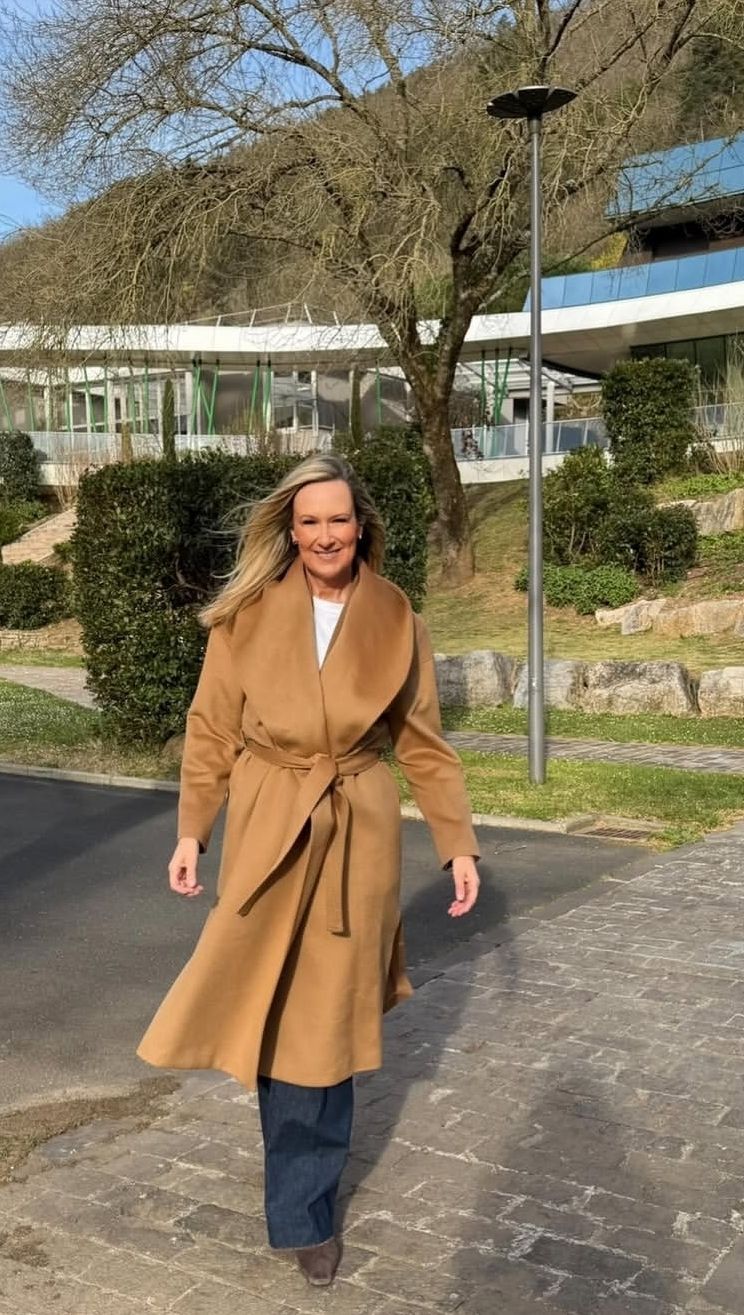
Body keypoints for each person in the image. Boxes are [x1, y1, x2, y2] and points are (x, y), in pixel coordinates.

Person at [137, 452, 480, 1287]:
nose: (326, 535)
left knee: (321, 1028)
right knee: (266, 1004)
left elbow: (423, 744)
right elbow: (210, 729)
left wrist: (457, 843)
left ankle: (305, 1212)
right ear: (290, 531)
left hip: (356, 829)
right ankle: (297, 1179)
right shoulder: (246, 615)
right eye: (310, 521)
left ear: (362, 525)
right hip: (268, 822)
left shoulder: (397, 616)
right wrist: (192, 831)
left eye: (339, 519)